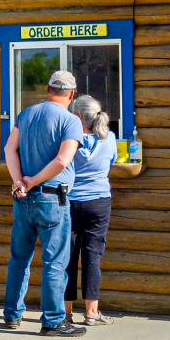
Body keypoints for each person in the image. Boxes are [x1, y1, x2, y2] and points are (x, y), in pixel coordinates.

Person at [3, 69, 86, 337]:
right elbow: (62, 161)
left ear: (48, 89)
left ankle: (12, 315)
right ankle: (52, 321)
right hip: (52, 198)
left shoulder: (26, 114)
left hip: (23, 199)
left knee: (19, 259)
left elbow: (9, 149)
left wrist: (20, 181)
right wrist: (33, 181)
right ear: (72, 95)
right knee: (55, 262)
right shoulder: (70, 120)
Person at [66, 95, 119, 326]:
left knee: (67, 258)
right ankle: (91, 312)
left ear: (78, 116)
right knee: (92, 257)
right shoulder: (110, 139)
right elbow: (111, 161)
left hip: (69, 202)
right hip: (99, 202)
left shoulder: (68, 140)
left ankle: (65, 312)